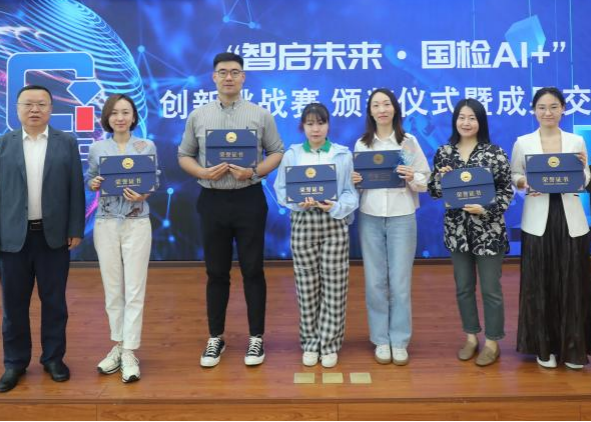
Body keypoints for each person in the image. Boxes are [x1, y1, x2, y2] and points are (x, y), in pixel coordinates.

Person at [177, 52, 284, 368]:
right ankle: (216, 337)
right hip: (212, 200)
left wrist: (254, 172)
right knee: (216, 272)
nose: (228, 77)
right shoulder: (198, 116)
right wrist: (202, 172)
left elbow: (277, 152)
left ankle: (256, 337)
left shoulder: (260, 114)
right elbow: (184, 155)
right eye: (222, 72)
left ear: (243, 77)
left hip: (249, 198)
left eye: (235, 72)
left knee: (253, 270)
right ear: (213, 77)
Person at [0, 84, 85, 393]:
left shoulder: (66, 143)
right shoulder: (1, 145)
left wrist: (75, 229)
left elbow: (76, 191)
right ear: (17, 109)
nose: (35, 109)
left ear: (51, 108)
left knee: (55, 303)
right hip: (13, 238)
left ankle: (53, 359)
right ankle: (15, 363)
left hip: (54, 238)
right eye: (28, 104)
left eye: (41, 104)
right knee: (13, 305)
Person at [511, 87, 591, 370]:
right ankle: (543, 346)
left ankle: (573, 348)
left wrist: (582, 171)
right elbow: (515, 175)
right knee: (540, 283)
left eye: (554, 107)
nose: (548, 112)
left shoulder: (576, 140)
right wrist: (523, 183)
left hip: (570, 218)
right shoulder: (523, 142)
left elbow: (585, 176)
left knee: (573, 282)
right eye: (542, 107)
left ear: (563, 109)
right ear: (533, 110)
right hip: (537, 219)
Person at [427, 98, 513, 367]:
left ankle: (492, 342)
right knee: (463, 288)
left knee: (490, 289)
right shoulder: (444, 152)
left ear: (480, 122)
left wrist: (486, 209)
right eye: (461, 117)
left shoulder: (494, 153)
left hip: (489, 232)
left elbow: (507, 191)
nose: (466, 123)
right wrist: (440, 178)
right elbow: (434, 191)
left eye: (472, 118)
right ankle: (471, 337)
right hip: (457, 232)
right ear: (455, 120)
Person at [274, 103, 358, 368]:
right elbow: (281, 189)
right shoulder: (293, 154)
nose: (315, 129)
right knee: (306, 285)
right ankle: (310, 343)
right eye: (310, 123)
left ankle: (330, 344)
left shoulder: (342, 154)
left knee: (335, 285)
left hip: (334, 223)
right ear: (303, 126)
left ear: (328, 125)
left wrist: (335, 206)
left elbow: (350, 192)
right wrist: (298, 202)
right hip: (303, 222)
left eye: (320, 123)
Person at [352, 88, 430, 366]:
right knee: (374, 280)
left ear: (395, 109)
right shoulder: (362, 144)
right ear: (370, 112)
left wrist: (412, 176)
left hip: (402, 215)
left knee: (399, 281)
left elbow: (425, 180)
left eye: (386, 104)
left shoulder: (408, 142)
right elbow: (355, 186)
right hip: (370, 215)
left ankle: (399, 340)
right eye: (376, 105)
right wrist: (354, 181)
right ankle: (380, 340)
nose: (382, 109)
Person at [87, 94, 160, 383]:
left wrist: (143, 194)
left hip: (137, 221)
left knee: (135, 288)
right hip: (105, 222)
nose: (120, 117)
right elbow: (91, 178)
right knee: (112, 288)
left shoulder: (145, 146)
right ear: (107, 117)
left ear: (133, 117)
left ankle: (129, 351)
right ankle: (118, 344)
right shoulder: (97, 148)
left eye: (125, 112)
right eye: (115, 112)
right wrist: (93, 182)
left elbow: (154, 179)